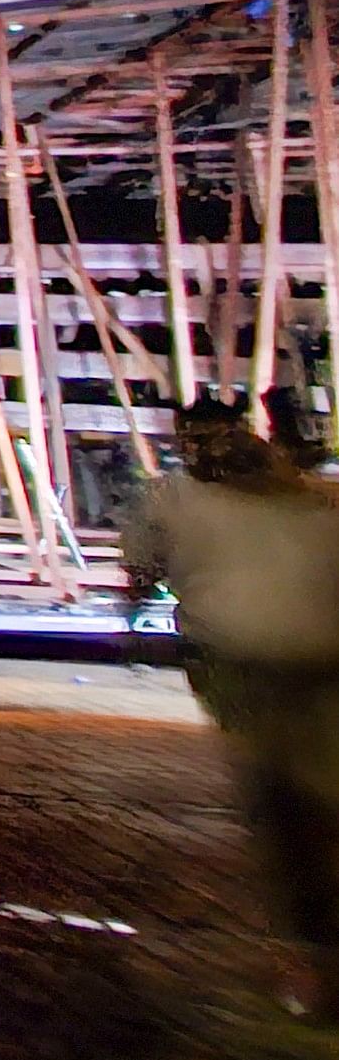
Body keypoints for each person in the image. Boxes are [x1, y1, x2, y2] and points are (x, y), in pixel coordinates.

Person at [124, 398, 339, 1021]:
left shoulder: (174, 500)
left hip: (243, 666)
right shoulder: (312, 500)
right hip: (318, 667)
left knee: (283, 817)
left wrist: (136, 616)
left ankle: (314, 969)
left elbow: (141, 568)